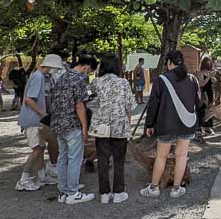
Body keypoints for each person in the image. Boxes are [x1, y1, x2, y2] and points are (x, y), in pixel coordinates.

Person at [141, 50, 202, 198]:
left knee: (161, 156)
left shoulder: (161, 79)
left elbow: (153, 105)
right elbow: (199, 103)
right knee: (182, 156)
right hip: (187, 123)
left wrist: (149, 125)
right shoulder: (192, 79)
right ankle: (176, 189)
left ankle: (154, 188)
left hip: (165, 124)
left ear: (169, 62)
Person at [49, 54, 97, 205]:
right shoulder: (79, 80)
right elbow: (79, 105)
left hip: (58, 123)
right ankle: (73, 192)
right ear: (86, 66)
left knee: (62, 157)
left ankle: (64, 189)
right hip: (72, 124)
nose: (88, 74)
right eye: (89, 71)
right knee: (75, 159)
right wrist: (84, 127)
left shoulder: (61, 78)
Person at [88, 55, 136, 204]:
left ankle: (104, 193)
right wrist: (128, 126)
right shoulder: (124, 83)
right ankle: (118, 192)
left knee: (102, 159)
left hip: (101, 127)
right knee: (119, 160)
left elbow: (91, 103)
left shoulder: (95, 83)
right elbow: (130, 107)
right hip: (120, 126)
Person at [15, 54, 64, 192]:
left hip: (35, 119)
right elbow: (29, 100)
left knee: (40, 148)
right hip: (33, 119)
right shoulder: (38, 77)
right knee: (37, 149)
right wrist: (44, 114)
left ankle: (42, 177)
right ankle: (23, 180)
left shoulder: (38, 75)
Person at [197, 56, 216, 136]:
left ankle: (208, 127)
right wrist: (208, 77)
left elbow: (211, 84)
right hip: (203, 94)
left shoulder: (209, 73)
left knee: (209, 110)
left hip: (210, 93)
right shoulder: (200, 73)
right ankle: (200, 127)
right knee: (202, 110)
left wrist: (213, 79)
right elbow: (201, 84)